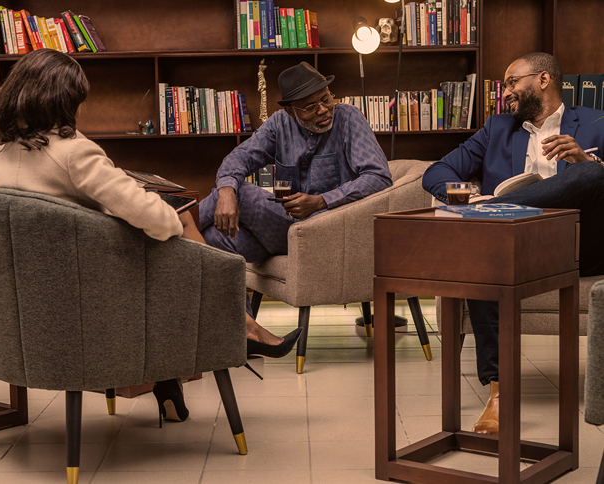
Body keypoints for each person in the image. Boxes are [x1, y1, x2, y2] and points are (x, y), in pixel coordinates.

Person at [0, 48, 295, 425]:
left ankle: (210, 348)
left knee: (164, 235)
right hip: (92, 303)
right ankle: (237, 325)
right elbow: (158, 221)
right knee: (179, 222)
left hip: (22, 302)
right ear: (61, 103)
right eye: (77, 102)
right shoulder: (74, 152)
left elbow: (52, 216)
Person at [422, 52, 604, 435]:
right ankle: (501, 393)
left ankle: (494, 211)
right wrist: (468, 195)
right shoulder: (497, 128)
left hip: (579, 245)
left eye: (510, 82)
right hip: (514, 246)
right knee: (482, 253)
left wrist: (587, 161)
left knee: (591, 174)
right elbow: (438, 171)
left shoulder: (595, 121)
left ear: (542, 80)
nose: (505, 92)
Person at [198, 61, 393, 344]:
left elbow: (379, 177)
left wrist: (322, 201)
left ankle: (169, 223)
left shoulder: (349, 118)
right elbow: (239, 158)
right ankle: (244, 336)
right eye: (310, 106)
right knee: (212, 240)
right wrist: (225, 190)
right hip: (287, 230)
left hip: (328, 232)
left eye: (325, 99)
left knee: (244, 193)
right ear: (291, 110)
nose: (323, 110)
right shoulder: (280, 124)